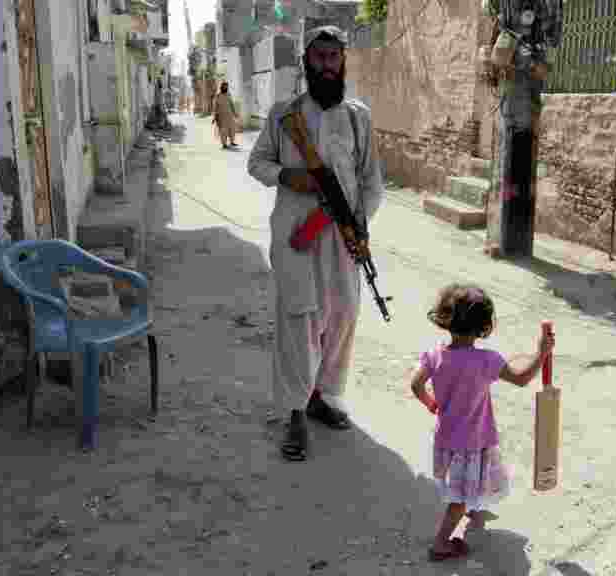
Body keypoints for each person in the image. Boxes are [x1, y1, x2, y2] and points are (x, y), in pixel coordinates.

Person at [247, 25, 385, 462]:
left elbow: (371, 182)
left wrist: (358, 226)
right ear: (307, 61)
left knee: (341, 316)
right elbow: (257, 162)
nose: (327, 64)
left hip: (343, 241)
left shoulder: (358, 117)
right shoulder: (283, 115)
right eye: (319, 56)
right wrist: (289, 176)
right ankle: (294, 413)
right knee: (298, 320)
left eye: (334, 56)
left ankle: (320, 396)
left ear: (343, 61)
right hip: (296, 238)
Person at [410, 283, 555, 562]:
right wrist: (542, 353)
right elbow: (523, 378)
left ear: (444, 318)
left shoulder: (434, 355)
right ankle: (441, 543)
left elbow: (415, 384)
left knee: (472, 480)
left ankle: (475, 508)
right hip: (473, 441)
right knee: (460, 497)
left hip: (446, 440)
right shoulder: (487, 360)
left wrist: (431, 404)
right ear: (484, 327)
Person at [212, 81, 240, 148]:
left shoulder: (229, 95)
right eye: (224, 86)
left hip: (230, 115)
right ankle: (224, 144)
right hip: (221, 116)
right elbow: (215, 107)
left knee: (232, 129)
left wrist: (235, 113)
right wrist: (214, 117)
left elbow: (232, 104)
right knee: (223, 131)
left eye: (227, 86)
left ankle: (232, 142)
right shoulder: (217, 96)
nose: (226, 87)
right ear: (221, 87)